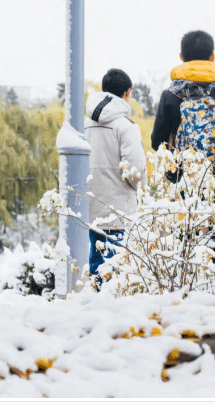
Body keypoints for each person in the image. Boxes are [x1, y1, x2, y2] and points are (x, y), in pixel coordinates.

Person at [151, 30, 215, 175]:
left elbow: (157, 143)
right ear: (213, 57)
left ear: (181, 57)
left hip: (185, 178)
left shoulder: (169, 95)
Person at [84, 68, 147, 281]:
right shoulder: (126, 127)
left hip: (91, 208)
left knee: (96, 269)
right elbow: (134, 171)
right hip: (117, 212)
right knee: (115, 272)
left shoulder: (84, 125)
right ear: (127, 93)